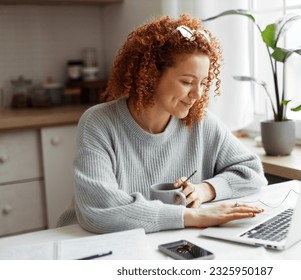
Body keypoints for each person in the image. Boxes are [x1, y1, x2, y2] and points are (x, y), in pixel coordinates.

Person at [57, 13, 268, 234]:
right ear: (151, 75)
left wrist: (204, 191)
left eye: (204, 83)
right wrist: (191, 216)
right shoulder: (99, 123)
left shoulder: (200, 122)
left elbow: (252, 173)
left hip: (163, 241)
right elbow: (99, 210)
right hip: (87, 242)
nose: (197, 94)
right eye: (187, 82)